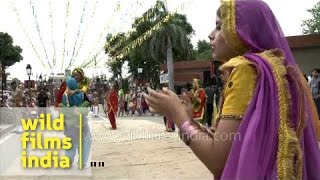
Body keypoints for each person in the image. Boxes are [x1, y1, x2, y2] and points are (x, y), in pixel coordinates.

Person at [144, 0, 320, 179]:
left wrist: (177, 115)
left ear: (242, 32)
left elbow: (217, 161)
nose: (210, 35)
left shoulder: (245, 70)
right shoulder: (275, 71)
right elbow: (231, 144)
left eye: (219, 27)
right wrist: (190, 122)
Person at [60, 77, 91, 169]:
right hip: (80, 123)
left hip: (73, 124)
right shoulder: (82, 94)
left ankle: (71, 160)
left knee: (72, 142)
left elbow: (63, 110)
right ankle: (82, 161)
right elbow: (87, 106)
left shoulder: (65, 96)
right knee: (84, 142)